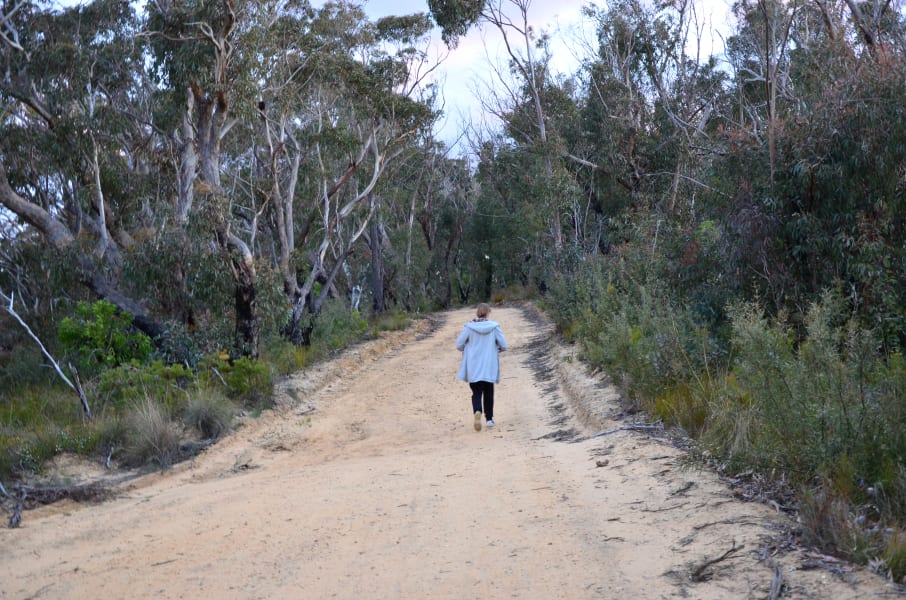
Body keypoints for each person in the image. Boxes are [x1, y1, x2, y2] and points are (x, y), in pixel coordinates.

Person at [456, 302, 507, 431]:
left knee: (476, 392)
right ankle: (489, 419)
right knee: (489, 392)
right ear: (488, 313)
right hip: (489, 365)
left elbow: (459, 344)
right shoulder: (494, 326)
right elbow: (503, 345)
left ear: (477, 313)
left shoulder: (469, 327)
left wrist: (466, 348)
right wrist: (498, 348)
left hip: (473, 366)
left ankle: (477, 411)